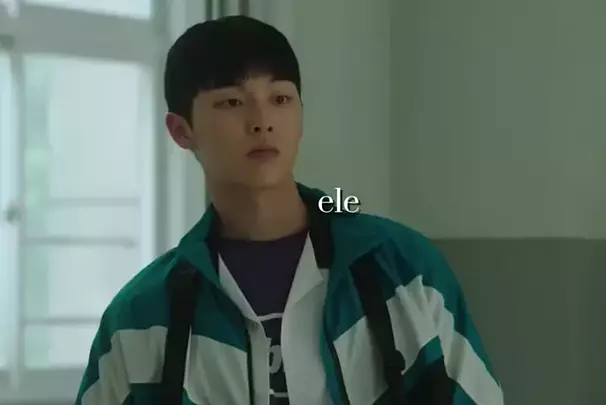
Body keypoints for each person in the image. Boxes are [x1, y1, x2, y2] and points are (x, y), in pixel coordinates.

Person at [75, 15, 504, 405]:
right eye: (232, 102)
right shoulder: (141, 317)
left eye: (280, 98)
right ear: (181, 130)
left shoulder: (404, 272)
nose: (262, 121)